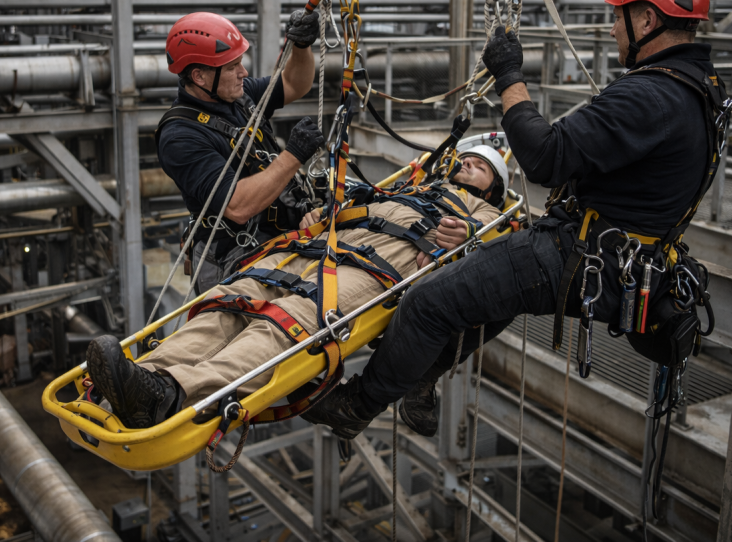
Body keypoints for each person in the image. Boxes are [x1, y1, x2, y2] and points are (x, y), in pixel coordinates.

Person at [302, 0, 731, 439]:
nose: (612, 29)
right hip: (625, 257)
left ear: (647, 19)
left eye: (618, 16)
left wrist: (509, 77)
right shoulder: (702, 89)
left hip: (583, 252)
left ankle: (357, 405)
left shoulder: (649, 95)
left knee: (426, 304)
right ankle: (420, 377)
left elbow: (546, 157)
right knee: (490, 290)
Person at [84, 146, 509, 430]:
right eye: (465, 158)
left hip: (368, 272)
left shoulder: (487, 214)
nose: (467, 164)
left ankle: (172, 395)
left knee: (282, 327)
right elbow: (352, 204)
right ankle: (142, 378)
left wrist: (468, 236)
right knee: (229, 304)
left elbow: (499, 261)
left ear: (493, 188)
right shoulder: (408, 187)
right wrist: (324, 216)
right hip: (317, 250)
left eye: (480, 166)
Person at [157, 11, 325, 293]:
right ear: (199, 76)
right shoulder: (180, 136)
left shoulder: (237, 95)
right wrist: (294, 154)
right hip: (234, 259)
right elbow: (237, 207)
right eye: (233, 66)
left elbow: (295, 83)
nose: (243, 72)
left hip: (276, 239)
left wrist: (302, 46)